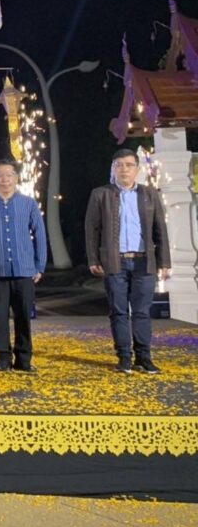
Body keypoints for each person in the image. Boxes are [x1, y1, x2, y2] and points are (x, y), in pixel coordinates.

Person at [85, 147, 171, 375]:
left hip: (144, 262)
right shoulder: (101, 194)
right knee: (119, 311)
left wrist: (164, 261)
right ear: (113, 169)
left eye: (129, 165)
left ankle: (144, 357)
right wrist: (93, 258)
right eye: (119, 165)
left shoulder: (149, 194)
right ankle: (124, 357)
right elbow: (92, 230)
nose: (124, 169)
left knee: (142, 312)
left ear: (137, 169)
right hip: (115, 262)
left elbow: (160, 229)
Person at [0, 158, 47, 373]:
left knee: (24, 315)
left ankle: (24, 359)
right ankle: (3, 358)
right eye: (0, 176)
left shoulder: (28, 204)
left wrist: (40, 266)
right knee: (0, 316)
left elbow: (40, 235)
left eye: (9, 175)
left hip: (25, 270)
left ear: (16, 178)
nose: (5, 179)